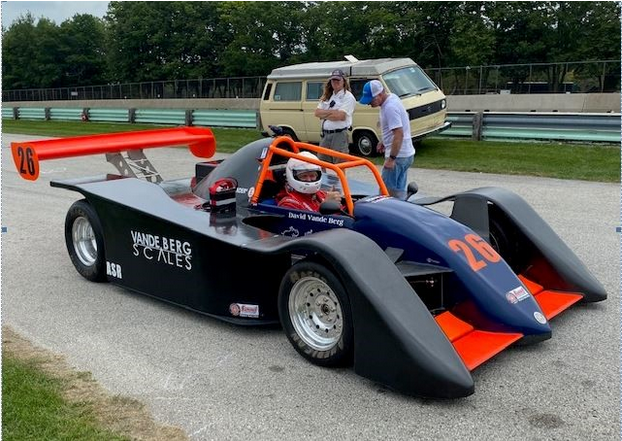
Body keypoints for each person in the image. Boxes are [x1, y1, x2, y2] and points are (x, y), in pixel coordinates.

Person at [359, 79, 415, 198]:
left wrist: (391, 159)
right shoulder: (392, 98)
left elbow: (399, 133)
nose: (369, 103)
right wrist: (384, 141)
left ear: (380, 94)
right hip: (406, 154)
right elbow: (395, 129)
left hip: (398, 157)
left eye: (371, 99)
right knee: (399, 193)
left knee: (386, 194)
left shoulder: (390, 107)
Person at [314, 69, 356, 163]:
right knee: (321, 162)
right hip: (325, 134)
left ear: (343, 81)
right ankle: (324, 178)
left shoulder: (348, 97)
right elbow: (317, 113)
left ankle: (340, 178)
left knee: (340, 163)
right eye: (333, 80)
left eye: (338, 80)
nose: (335, 82)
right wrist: (333, 112)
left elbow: (340, 116)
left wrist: (324, 114)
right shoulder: (327, 95)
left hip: (339, 135)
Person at [277, 152, 341, 212]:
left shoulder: (321, 194)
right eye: (304, 176)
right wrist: (324, 207)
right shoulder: (288, 204)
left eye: (312, 175)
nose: (309, 180)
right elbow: (305, 223)